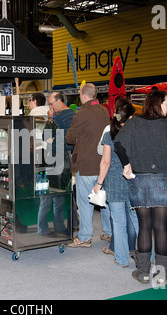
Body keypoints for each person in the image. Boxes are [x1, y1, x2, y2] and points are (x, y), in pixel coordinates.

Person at [114, 90, 167, 284]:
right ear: (158, 104)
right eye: (166, 103)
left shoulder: (133, 123)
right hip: (162, 178)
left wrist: (127, 164)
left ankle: (144, 272)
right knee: (160, 227)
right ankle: (161, 274)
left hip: (138, 179)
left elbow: (118, 143)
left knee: (144, 226)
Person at [93, 98, 138, 267]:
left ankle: (121, 258)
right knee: (137, 221)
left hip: (114, 182)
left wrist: (99, 183)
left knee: (118, 222)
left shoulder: (109, 135)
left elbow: (105, 162)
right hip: (134, 181)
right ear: (131, 117)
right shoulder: (136, 134)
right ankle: (146, 256)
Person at [65, 83, 111, 248]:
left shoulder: (81, 114)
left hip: (85, 164)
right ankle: (108, 232)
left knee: (85, 202)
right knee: (103, 200)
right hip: (104, 164)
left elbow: (70, 138)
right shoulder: (105, 111)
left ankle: (84, 237)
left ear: (83, 95)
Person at [37, 93, 75, 237]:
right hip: (58, 162)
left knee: (47, 197)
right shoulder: (72, 115)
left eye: (51, 104)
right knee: (56, 197)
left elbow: (46, 137)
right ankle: (55, 227)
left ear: (59, 101)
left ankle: (45, 228)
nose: (50, 107)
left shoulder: (57, 118)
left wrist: (50, 121)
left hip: (52, 161)